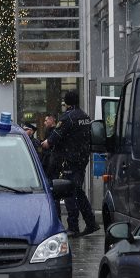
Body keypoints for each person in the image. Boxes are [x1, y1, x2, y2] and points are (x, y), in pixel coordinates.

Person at [41, 91, 99, 237]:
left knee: (69, 191)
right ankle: (90, 222)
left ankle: (74, 226)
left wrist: (45, 143)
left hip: (70, 160)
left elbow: (54, 138)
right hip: (82, 159)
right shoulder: (85, 116)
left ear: (66, 103)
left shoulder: (68, 118)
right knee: (77, 190)